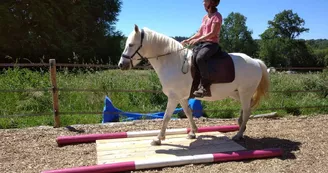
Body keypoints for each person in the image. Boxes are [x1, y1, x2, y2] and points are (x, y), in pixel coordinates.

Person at [181, 0, 222, 98]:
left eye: (205, 1)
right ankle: (194, 86)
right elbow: (199, 32)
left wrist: (198, 39)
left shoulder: (217, 16)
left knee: (200, 58)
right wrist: (189, 39)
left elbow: (213, 33)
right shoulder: (205, 17)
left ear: (211, 3)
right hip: (203, 44)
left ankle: (205, 87)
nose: (203, 3)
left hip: (212, 44)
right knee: (191, 58)